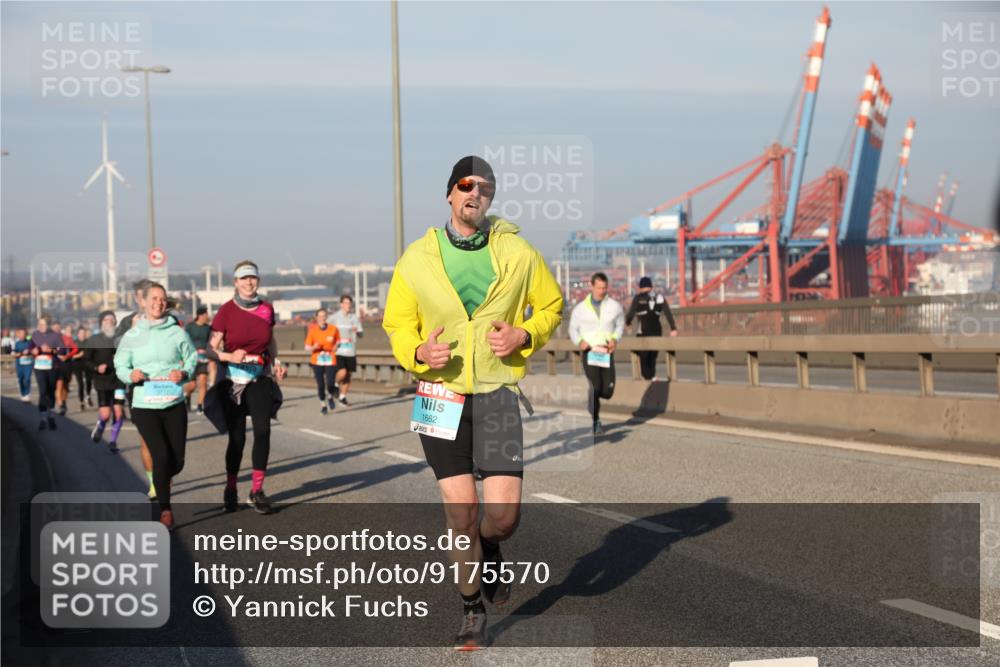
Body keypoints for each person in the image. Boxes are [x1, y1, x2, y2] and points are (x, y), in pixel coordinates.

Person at [383, 155, 563, 650]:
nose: (475, 193)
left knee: (503, 518)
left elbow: (550, 305)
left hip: (499, 391)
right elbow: (397, 323)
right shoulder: (417, 258)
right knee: (461, 513)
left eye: (485, 187)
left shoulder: (518, 253)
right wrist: (417, 351)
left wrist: (525, 332)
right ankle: (470, 610)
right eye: (466, 184)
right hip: (438, 395)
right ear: (449, 193)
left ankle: (490, 551)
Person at [206, 260, 286, 515]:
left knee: (263, 431)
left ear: (258, 281)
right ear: (236, 282)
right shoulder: (226, 311)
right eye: (244, 278)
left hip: (259, 377)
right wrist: (230, 357)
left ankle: (257, 491)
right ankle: (231, 487)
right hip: (232, 380)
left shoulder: (267, 309)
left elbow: (270, 340)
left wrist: (277, 363)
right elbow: (211, 349)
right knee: (237, 439)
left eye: (253, 278)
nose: (249, 282)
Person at [116, 282, 197, 529]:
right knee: (160, 455)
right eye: (154, 298)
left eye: (162, 299)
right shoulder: (132, 335)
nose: (158, 303)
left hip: (173, 401)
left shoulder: (177, 332)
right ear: (143, 302)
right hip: (144, 403)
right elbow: (120, 364)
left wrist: (183, 372)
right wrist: (131, 375)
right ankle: (165, 510)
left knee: (177, 460)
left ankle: (163, 478)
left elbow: (192, 357)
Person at [115, 279, 172, 500]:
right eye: (141, 296)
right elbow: (119, 358)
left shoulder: (170, 319)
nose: (146, 300)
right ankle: (154, 483)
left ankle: (165, 481)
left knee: (168, 443)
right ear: (138, 299)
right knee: (147, 439)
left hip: (168, 388)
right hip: (140, 390)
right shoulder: (127, 323)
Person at [569, 272, 625, 435]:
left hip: (606, 351)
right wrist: (580, 341)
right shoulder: (580, 309)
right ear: (592, 286)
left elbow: (620, 325)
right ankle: (596, 421)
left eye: (604, 287)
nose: (602, 290)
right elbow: (573, 328)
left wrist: (615, 338)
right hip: (589, 352)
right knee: (595, 387)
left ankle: (592, 400)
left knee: (607, 391)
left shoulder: (614, 306)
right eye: (599, 287)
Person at [86, 311, 127, 453]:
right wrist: (97, 367)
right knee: (105, 414)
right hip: (102, 381)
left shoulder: (121, 339)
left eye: (112, 320)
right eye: (106, 320)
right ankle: (101, 425)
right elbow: (86, 361)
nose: (109, 322)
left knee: (119, 412)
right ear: (101, 323)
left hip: (119, 380)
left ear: (115, 323)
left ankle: (112, 441)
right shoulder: (93, 340)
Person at [625, 276, 678, 380]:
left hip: (643, 331)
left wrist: (628, 322)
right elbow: (668, 313)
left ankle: (648, 378)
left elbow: (631, 313)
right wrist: (673, 328)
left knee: (643, 356)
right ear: (651, 287)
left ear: (640, 287)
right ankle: (652, 377)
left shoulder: (638, 298)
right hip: (657, 330)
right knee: (652, 357)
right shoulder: (660, 297)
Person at [29, 316, 63, 430]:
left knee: (50, 391)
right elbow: (30, 347)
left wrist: (51, 350)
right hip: (39, 367)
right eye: (39, 324)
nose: (41, 327)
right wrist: (33, 350)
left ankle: (51, 416)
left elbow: (63, 349)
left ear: (48, 325)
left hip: (52, 367)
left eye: (43, 324)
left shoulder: (55, 335)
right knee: (43, 391)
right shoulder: (35, 335)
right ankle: (43, 418)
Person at [303, 308, 340, 414]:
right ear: (316, 318)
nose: (322, 318)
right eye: (320, 316)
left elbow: (338, 341)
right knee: (321, 385)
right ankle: (323, 405)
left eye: (324, 316)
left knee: (331, 383)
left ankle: (330, 396)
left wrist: (336, 346)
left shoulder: (333, 329)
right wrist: (313, 347)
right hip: (317, 360)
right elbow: (306, 347)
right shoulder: (313, 330)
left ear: (326, 317)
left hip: (330, 359)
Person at [330, 294, 363, 405]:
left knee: (348, 375)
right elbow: (327, 331)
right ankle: (334, 385)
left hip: (351, 350)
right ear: (341, 304)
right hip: (339, 350)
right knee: (342, 372)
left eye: (349, 303)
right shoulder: (334, 317)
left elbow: (361, 334)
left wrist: (357, 331)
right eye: (345, 303)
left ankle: (342, 397)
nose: (347, 305)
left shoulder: (354, 318)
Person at [185, 306, 213, 414]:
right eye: (206, 314)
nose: (207, 316)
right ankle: (187, 396)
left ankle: (200, 405)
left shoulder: (208, 328)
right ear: (200, 315)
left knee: (203, 382)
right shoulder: (190, 327)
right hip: (191, 359)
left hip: (204, 359)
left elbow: (211, 342)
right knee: (192, 385)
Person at [51, 322, 78, 416]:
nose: (56, 330)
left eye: (58, 329)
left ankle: (63, 403)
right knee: (59, 385)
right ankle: (61, 406)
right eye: (54, 329)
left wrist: (67, 356)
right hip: (55, 365)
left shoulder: (66, 338)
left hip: (66, 365)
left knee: (65, 386)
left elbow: (75, 348)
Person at [72, 326, 95, 410]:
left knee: (89, 381)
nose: (82, 335)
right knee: (80, 384)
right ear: (77, 334)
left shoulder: (89, 342)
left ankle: (88, 396)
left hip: (87, 363)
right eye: (81, 333)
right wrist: (79, 355)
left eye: (84, 333)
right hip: (77, 364)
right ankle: (81, 402)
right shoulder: (74, 343)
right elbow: (70, 356)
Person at [12, 328, 34, 401]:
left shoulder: (29, 342)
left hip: (28, 364)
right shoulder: (17, 343)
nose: (22, 335)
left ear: (26, 335)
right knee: (21, 379)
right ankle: (23, 393)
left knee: (27, 378)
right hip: (20, 364)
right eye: (20, 334)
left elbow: (34, 351)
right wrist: (20, 354)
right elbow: (14, 353)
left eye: (24, 334)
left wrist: (29, 352)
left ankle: (27, 394)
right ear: (18, 335)